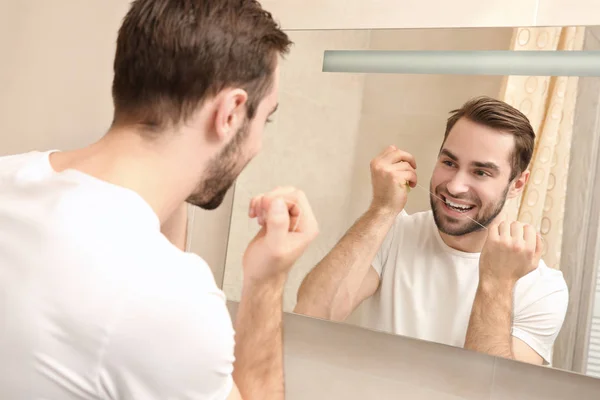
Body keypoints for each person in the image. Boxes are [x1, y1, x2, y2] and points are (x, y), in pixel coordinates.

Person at [0, 1, 319, 399]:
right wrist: (267, 280)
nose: (259, 144)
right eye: (265, 118)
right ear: (233, 112)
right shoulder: (168, 299)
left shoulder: (8, 177)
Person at [294, 96, 569, 366]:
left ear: (517, 185)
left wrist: (497, 281)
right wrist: (382, 209)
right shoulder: (393, 232)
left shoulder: (543, 288)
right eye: (449, 163)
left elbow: (493, 393)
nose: (455, 186)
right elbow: (310, 316)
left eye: (481, 173)